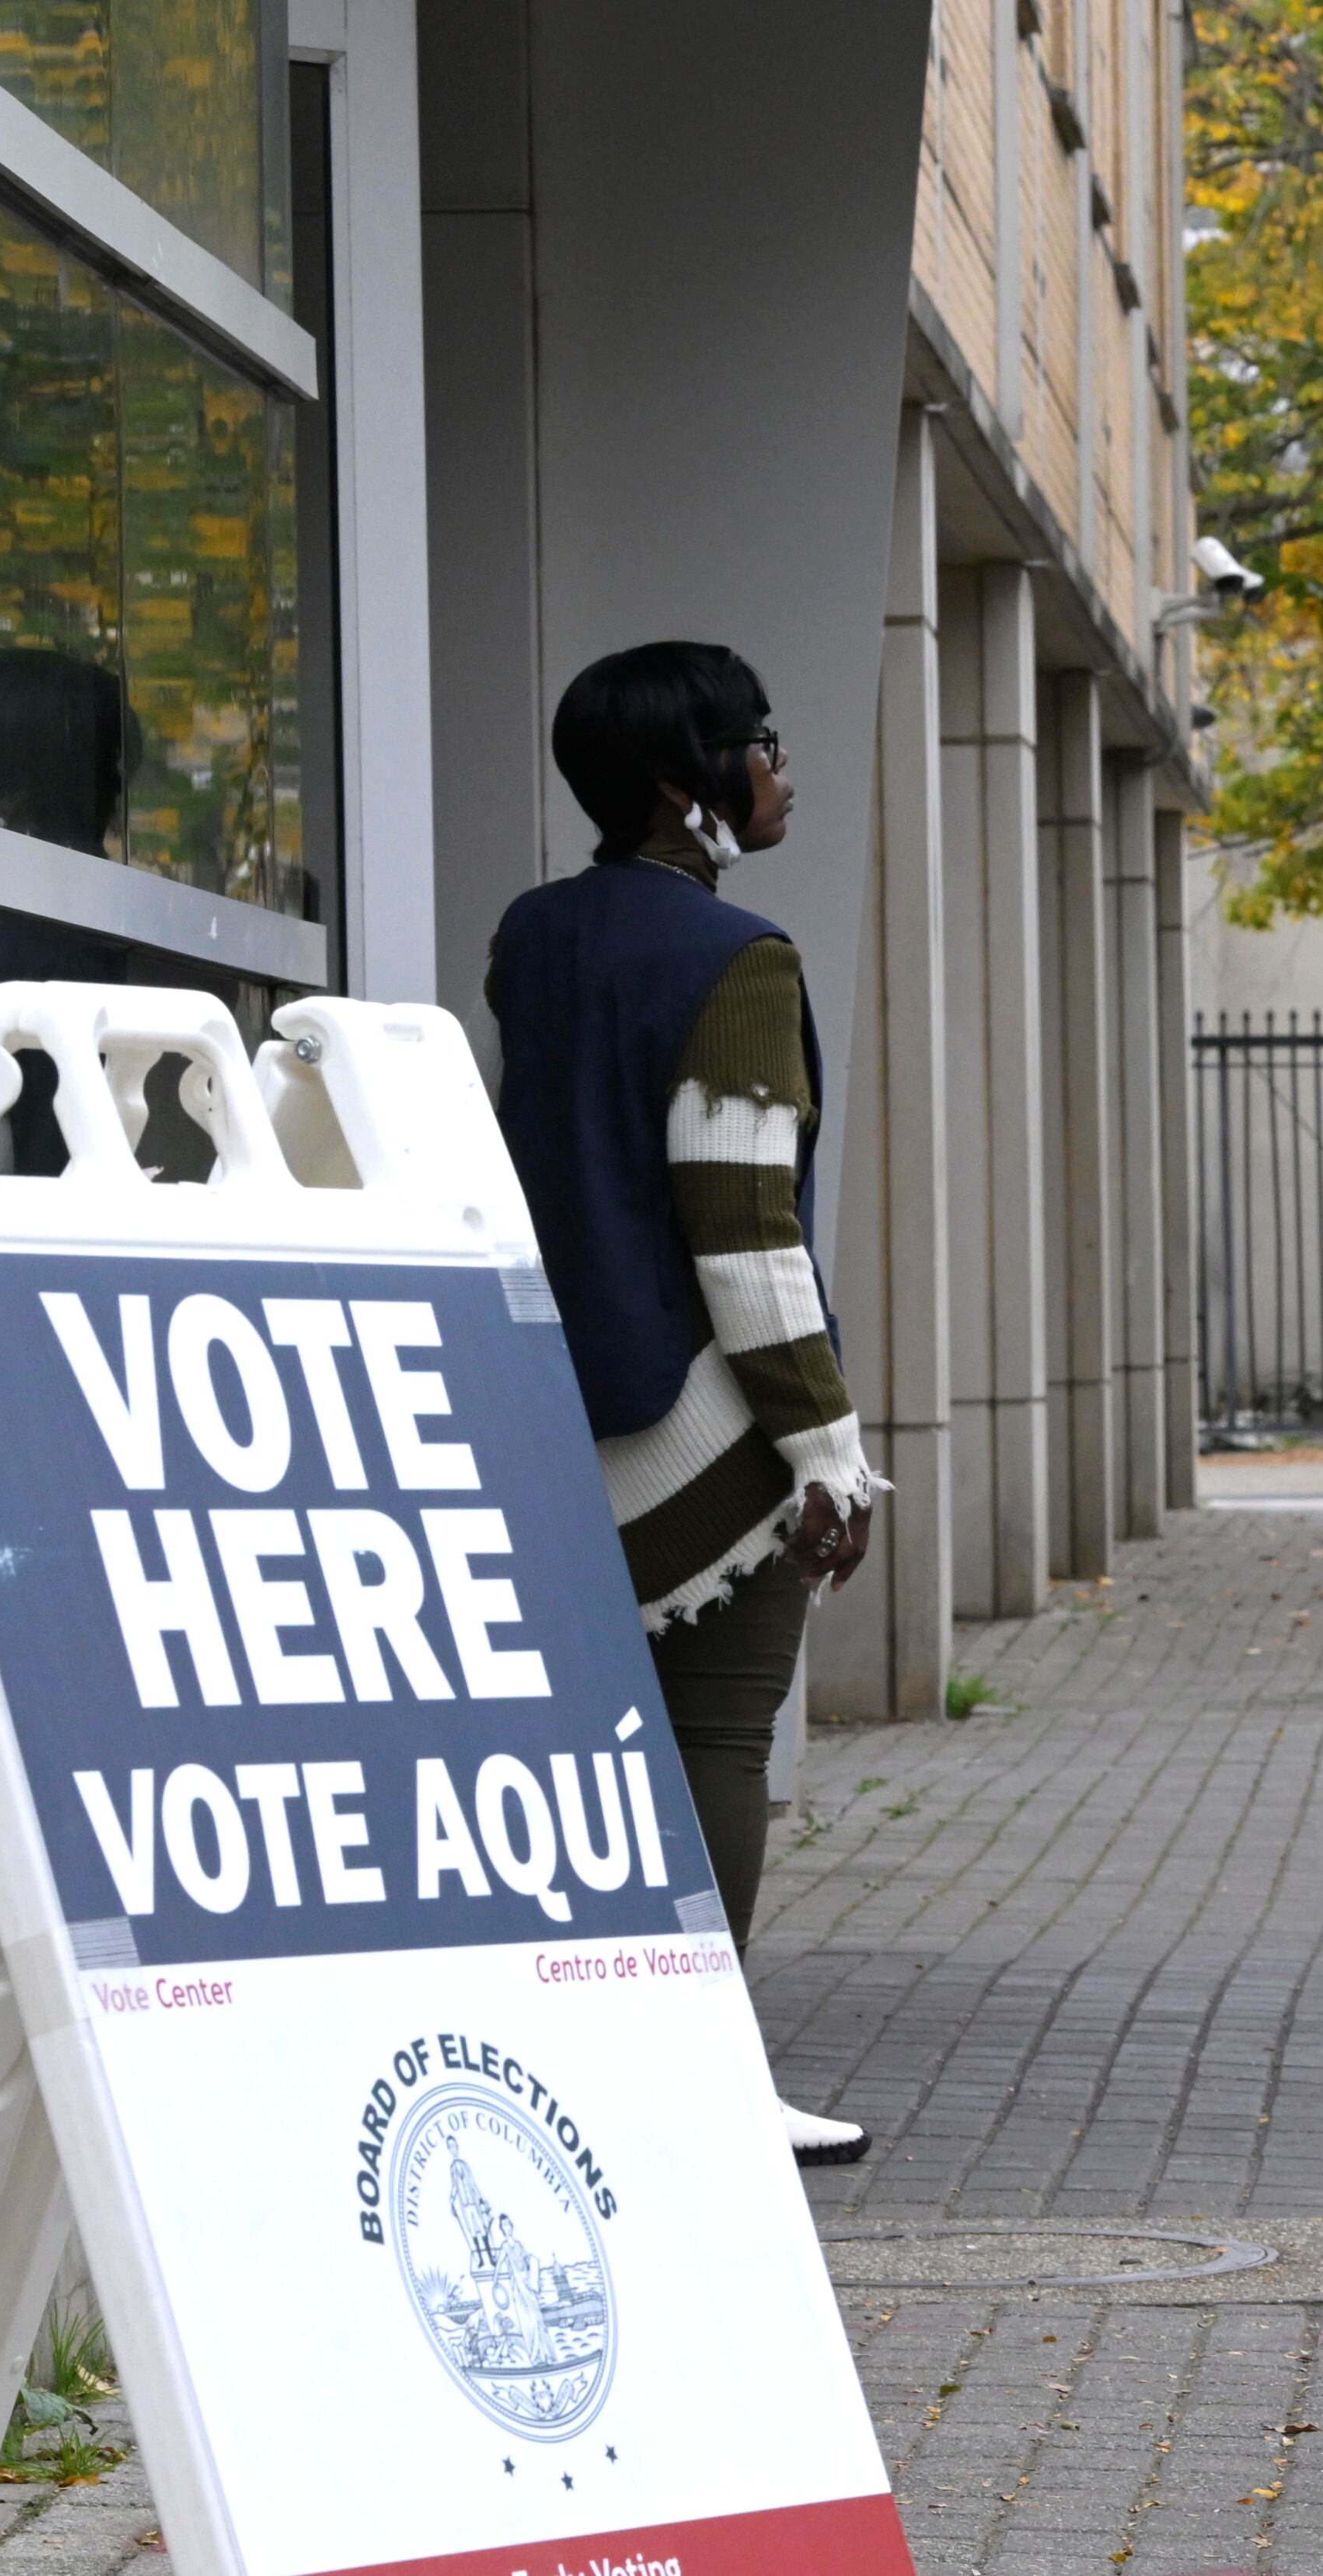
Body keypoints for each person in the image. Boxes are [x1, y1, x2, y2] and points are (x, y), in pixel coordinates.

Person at [488, 641, 883, 2168]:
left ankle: (604, 2065)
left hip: (553, 1399)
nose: (781, 769)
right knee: (718, 1736)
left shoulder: (533, 937)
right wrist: (829, 1449)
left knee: (601, 1752)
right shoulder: (739, 955)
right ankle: (701, 2078)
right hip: (707, 1416)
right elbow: (742, 1222)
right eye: (757, 743)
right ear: (686, 782)